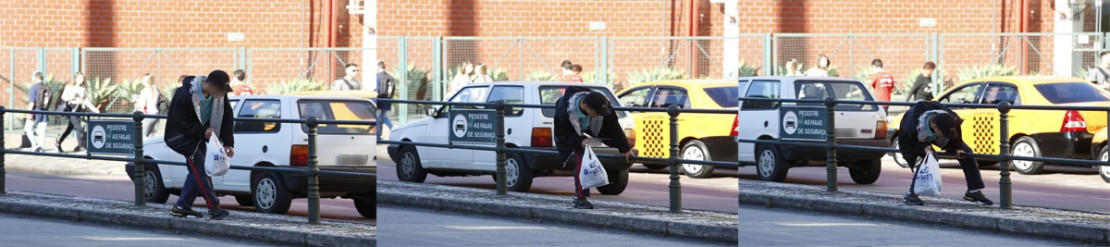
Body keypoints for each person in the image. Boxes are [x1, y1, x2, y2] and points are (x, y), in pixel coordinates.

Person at [165, 70, 235, 220]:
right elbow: (180, 122)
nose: (222, 93)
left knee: (196, 170)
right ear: (209, 84)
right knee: (201, 168)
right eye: (220, 89)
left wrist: (228, 143)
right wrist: (202, 131)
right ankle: (213, 207)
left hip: (199, 136)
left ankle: (182, 206)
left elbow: (227, 117)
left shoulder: (220, 96)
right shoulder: (185, 94)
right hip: (180, 136)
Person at [897, 100, 993, 206]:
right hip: (916, 138)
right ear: (935, 127)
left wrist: (958, 147)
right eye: (945, 133)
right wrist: (924, 147)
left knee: (966, 153)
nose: (947, 135)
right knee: (931, 157)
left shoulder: (949, 117)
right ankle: (911, 194)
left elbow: (955, 128)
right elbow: (907, 145)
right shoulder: (910, 128)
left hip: (933, 129)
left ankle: (973, 191)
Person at [553, 86, 634, 209]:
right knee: (582, 158)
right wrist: (579, 141)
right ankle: (580, 198)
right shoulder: (563, 113)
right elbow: (562, 135)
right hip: (571, 129)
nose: (601, 115)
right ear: (586, 107)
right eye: (597, 113)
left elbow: (613, 126)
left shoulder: (601, 104)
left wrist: (625, 149)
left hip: (588, 125)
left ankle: (582, 195)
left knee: (587, 152)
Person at [55, 72, 100, 152]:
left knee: (69, 129)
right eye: (80, 78)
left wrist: (95, 110)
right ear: (75, 79)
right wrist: (72, 96)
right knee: (79, 128)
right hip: (71, 110)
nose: (81, 80)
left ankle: (58, 143)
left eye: (83, 78)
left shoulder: (82, 89)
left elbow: (86, 101)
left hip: (78, 110)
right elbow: (64, 97)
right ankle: (81, 146)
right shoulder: (69, 87)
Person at [25, 71, 49, 153]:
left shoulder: (33, 88)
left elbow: (32, 103)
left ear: (36, 77)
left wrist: (29, 113)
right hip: (44, 111)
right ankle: (41, 148)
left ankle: (34, 145)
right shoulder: (47, 87)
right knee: (42, 130)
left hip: (35, 111)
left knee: (28, 128)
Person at [135, 73, 161, 138]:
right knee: (151, 135)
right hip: (156, 114)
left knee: (142, 135)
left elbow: (143, 105)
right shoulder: (156, 90)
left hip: (148, 114)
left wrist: (137, 100)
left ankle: (142, 148)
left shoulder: (145, 91)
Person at [375, 61, 396, 136]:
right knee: (384, 117)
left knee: (376, 118)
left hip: (379, 100)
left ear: (379, 67)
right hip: (387, 101)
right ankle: (395, 131)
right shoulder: (390, 77)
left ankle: (377, 137)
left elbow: (377, 89)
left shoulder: (378, 76)